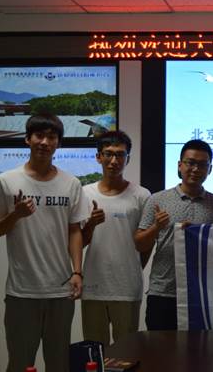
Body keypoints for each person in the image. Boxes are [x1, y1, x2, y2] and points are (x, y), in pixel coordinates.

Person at [0, 113, 88, 372]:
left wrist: (77, 272)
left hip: (60, 291)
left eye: (51, 137)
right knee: (20, 363)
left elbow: (74, 230)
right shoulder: (7, 181)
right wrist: (16, 214)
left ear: (58, 143)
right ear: (27, 139)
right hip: (21, 292)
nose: (45, 142)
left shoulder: (71, 183)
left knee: (59, 364)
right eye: (39, 135)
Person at [134, 139, 213, 330]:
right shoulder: (157, 199)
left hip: (202, 293)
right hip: (163, 292)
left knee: (201, 348)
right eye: (190, 163)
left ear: (210, 169)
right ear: (180, 165)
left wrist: (199, 234)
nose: (195, 169)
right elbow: (139, 244)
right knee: (160, 348)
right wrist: (156, 227)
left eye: (202, 165)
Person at [80, 130, 151, 346]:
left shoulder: (141, 195)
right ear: (98, 157)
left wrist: (134, 267)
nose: (114, 160)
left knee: (126, 353)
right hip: (93, 287)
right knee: (94, 353)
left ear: (128, 158)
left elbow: (146, 243)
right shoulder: (84, 193)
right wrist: (91, 224)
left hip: (127, 287)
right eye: (108, 154)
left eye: (120, 155)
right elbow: (77, 242)